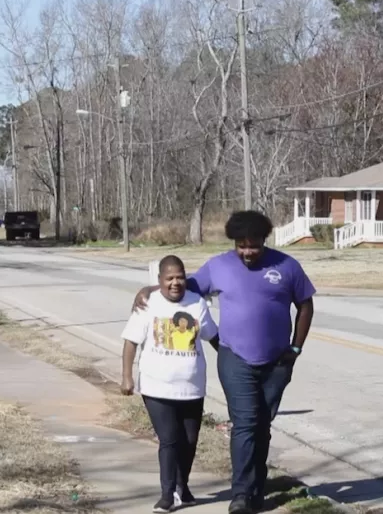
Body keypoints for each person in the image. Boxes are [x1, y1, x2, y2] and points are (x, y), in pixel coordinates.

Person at [133, 210, 315, 514]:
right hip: (235, 358)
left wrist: (295, 348)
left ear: (263, 240)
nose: (246, 252)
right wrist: (151, 289)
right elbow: (184, 286)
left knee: (262, 425)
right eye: (240, 245)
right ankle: (241, 494)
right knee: (245, 423)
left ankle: (256, 489)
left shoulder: (287, 266)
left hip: (277, 362)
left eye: (253, 245)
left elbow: (305, 305)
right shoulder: (219, 266)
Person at [121, 254, 220, 513]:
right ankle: (166, 494)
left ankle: (182, 487)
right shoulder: (147, 303)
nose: (175, 283)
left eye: (180, 277)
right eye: (169, 278)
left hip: (192, 387)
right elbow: (131, 341)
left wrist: (237, 362)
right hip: (157, 386)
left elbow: (213, 336)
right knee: (169, 439)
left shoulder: (197, 302)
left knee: (189, 440)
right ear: (160, 281)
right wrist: (127, 376)